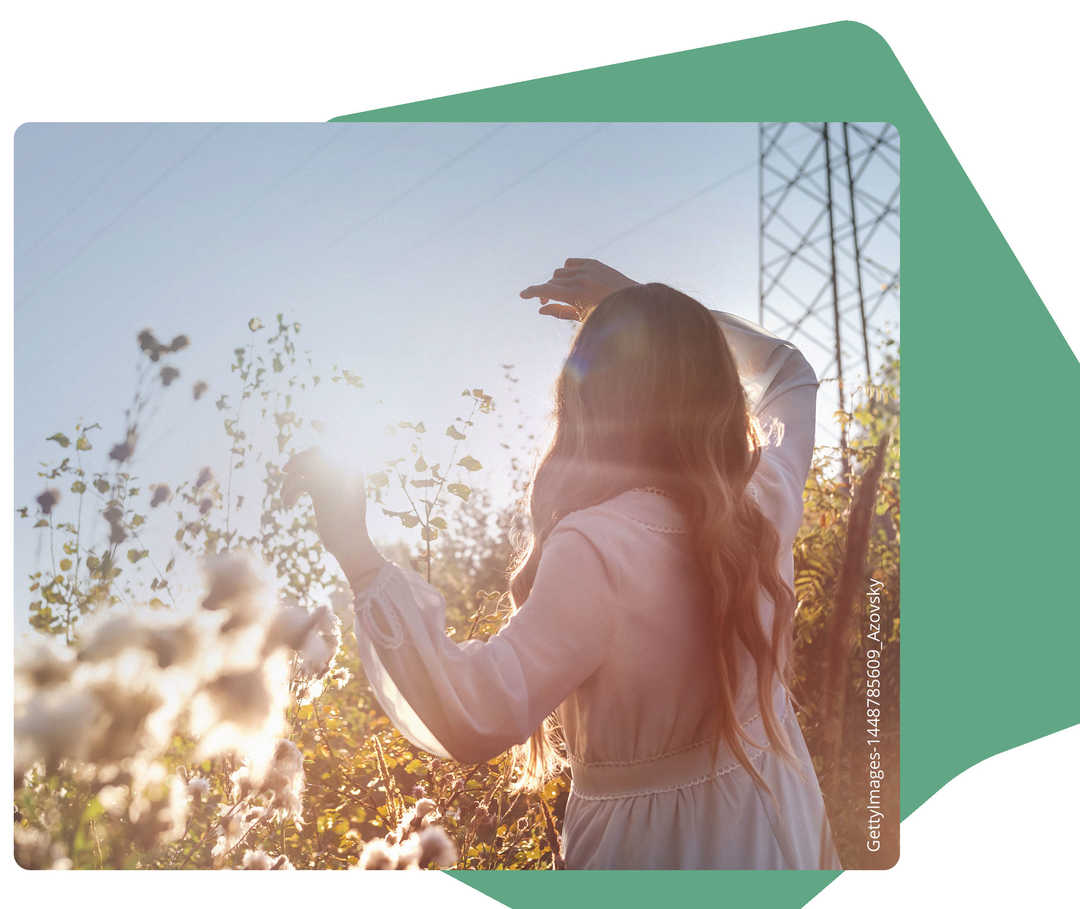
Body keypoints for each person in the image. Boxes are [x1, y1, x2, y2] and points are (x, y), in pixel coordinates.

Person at [282, 258, 839, 870]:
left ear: (588, 404)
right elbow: (788, 373)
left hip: (645, 855)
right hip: (778, 820)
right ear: (714, 387)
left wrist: (360, 560)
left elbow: (478, 712)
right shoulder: (759, 501)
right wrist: (644, 306)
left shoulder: (596, 546)